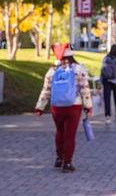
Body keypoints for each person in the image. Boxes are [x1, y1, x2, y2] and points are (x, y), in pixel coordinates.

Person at [35, 45, 93, 173]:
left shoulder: (52, 70)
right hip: (74, 106)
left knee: (60, 131)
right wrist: (88, 106)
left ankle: (59, 158)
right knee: (70, 135)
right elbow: (85, 89)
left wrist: (40, 107)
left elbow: (46, 90)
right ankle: (67, 163)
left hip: (56, 107)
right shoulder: (79, 69)